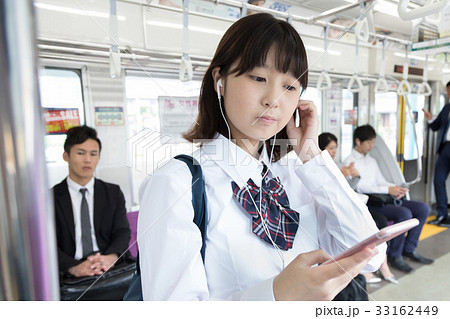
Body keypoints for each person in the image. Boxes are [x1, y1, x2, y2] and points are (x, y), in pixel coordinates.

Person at [138, 13, 385, 301]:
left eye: (290, 86)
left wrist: (312, 155)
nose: (273, 99)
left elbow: (370, 256)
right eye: (258, 77)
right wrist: (274, 295)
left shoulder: (297, 175)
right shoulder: (177, 184)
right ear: (220, 81)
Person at [343, 124, 433, 274]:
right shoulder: (349, 161)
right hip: (370, 202)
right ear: (358, 141)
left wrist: (396, 188)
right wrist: (388, 190)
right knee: (404, 214)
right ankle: (395, 256)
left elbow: (381, 181)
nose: (371, 146)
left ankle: (408, 249)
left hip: (383, 197)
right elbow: (360, 187)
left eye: (373, 142)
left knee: (422, 208)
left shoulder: (371, 160)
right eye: (368, 142)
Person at [319, 132, 398, 285]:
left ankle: (381, 264)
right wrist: (340, 177)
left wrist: (355, 178)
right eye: (331, 148)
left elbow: (350, 190)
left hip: (351, 205)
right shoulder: (319, 167)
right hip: (334, 209)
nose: (334, 152)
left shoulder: (339, 165)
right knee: (377, 221)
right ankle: (366, 267)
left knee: (379, 221)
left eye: (336, 148)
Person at [53, 125, 130, 277]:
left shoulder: (113, 193)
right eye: (80, 153)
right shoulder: (50, 198)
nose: (87, 160)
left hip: (109, 267)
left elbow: (122, 232)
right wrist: (72, 267)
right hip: (69, 272)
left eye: (93, 154)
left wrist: (111, 258)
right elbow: (46, 245)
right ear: (66, 156)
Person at [423, 81, 450, 227]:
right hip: (445, 148)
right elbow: (435, 126)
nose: (448, 94)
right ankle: (442, 215)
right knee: (438, 181)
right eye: (447, 91)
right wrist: (430, 119)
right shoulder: (447, 109)